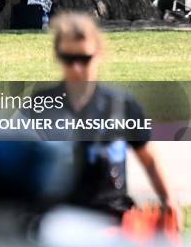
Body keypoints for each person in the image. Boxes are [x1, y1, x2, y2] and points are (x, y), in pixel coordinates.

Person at [36, 12, 180, 224]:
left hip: (112, 215)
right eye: (69, 59)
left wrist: (169, 200)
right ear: (58, 56)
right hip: (59, 217)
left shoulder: (122, 105)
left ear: (98, 54)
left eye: (84, 59)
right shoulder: (40, 106)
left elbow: (149, 160)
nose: (77, 68)